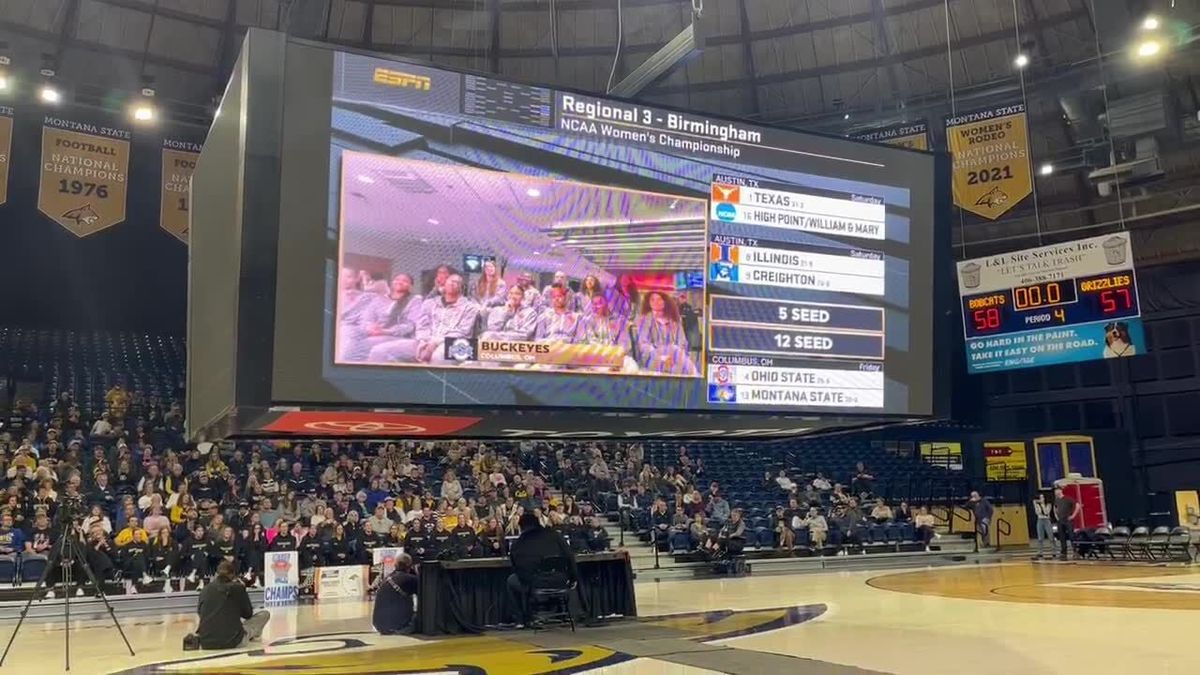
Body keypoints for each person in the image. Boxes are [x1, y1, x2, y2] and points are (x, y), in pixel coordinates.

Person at [371, 273, 480, 364]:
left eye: (457, 282)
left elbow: (462, 332)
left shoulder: (470, 307)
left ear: (462, 287)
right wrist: (423, 340)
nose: (452, 283)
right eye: (450, 280)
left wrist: (435, 342)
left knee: (438, 357)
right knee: (379, 351)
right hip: (424, 341)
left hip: (454, 344)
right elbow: (422, 325)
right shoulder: (429, 303)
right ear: (444, 285)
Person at [505, 513, 578, 626]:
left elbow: (516, 567)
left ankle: (522, 619)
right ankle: (564, 614)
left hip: (536, 583)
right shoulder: (554, 535)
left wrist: (527, 581)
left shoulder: (518, 543)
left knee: (511, 580)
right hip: (560, 581)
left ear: (521, 526)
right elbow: (570, 556)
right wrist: (573, 578)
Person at [188, 560, 270, 650]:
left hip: (206, 642)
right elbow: (248, 614)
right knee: (264, 614)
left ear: (216, 574)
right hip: (232, 641)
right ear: (232, 575)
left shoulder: (205, 589)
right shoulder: (238, 588)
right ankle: (254, 635)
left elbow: (200, 613)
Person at [632, 291, 696, 375]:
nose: (656, 302)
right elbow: (643, 344)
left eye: (659, 299)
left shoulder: (674, 320)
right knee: (674, 349)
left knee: (678, 369)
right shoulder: (644, 319)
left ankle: (692, 377)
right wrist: (661, 357)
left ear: (665, 301)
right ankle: (696, 375)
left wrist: (674, 356)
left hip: (674, 357)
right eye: (652, 300)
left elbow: (682, 342)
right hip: (653, 358)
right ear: (648, 302)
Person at [372, 552, 419, 635]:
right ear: (410, 566)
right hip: (396, 626)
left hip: (379, 625)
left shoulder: (388, 577)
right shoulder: (409, 579)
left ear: (395, 564)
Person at [1053, 487, 1082, 560]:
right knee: (1062, 537)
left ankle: (1075, 552)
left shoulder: (1067, 498)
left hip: (1068, 520)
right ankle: (1063, 553)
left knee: (1071, 536)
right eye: (1055, 491)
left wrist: (1073, 516)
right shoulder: (1057, 500)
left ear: (1060, 491)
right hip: (1060, 521)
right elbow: (1055, 508)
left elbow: (1077, 505)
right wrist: (1056, 516)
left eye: (1057, 491)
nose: (1056, 492)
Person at [1033, 492, 1054, 559]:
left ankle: (1054, 552)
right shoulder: (1036, 503)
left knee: (1051, 537)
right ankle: (1040, 553)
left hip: (1047, 520)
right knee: (1040, 538)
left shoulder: (1048, 504)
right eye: (1040, 497)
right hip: (1040, 520)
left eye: (1043, 497)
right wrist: (1039, 503)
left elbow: (1046, 512)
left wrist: (1042, 505)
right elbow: (1037, 512)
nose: (1042, 499)